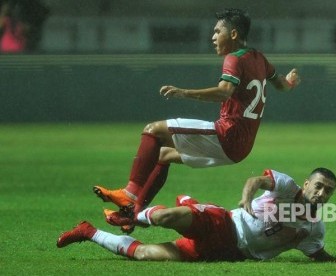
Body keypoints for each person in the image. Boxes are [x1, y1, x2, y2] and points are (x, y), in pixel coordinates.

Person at [92, 8, 301, 228]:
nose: (213, 37)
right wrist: (290, 81)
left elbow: (224, 91)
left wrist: (184, 92)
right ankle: (132, 215)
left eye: (217, 31)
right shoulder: (259, 58)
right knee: (162, 154)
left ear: (233, 35)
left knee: (153, 130)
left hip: (226, 135)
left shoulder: (234, 59)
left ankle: (130, 194)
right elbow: (282, 85)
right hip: (241, 148)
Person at [58, 168, 336, 263]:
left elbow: (318, 255)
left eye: (328, 191)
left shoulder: (313, 229)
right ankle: (132, 216)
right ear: (307, 184)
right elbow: (256, 181)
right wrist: (246, 198)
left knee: (145, 254)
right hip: (225, 222)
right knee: (165, 218)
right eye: (319, 186)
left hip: (227, 253)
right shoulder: (286, 186)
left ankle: (87, 231)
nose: (322, 194)